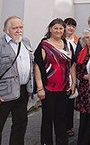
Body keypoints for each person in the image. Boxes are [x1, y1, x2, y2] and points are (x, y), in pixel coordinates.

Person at [34, 18, 76, 145]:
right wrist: (40, 88)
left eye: (61, 28)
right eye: (55, 28)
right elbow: (37, 66)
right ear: (50, 30)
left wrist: (73, 83)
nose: (58, 31)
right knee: (47, 119)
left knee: (61, 119)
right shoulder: (44, 45)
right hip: (48, 89)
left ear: (64, 30)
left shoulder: (67, 45)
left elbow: (72, 64)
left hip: (63, 88)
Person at [0, 16, 34, 145]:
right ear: (6, 30)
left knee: (20, 124)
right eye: (15, 28)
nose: (19, 30)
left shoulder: (26, 42)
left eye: (21, 27)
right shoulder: (1, 45)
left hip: (22, 90)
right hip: (4, 93)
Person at [75, 28, 90, 144]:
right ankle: (83, 141)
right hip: (85, 90)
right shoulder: (82, 53)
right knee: (85, 118)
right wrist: (84, 76)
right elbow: (77, 71)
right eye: (87, 37)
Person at [64, 17, 79, 138]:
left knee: (70, 102)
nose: (71, 28)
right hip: (62, 75)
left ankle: (68, 127)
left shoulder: (76, 40)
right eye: (69, 25)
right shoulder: (60, 40)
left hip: (74, 74)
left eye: (73, 26)